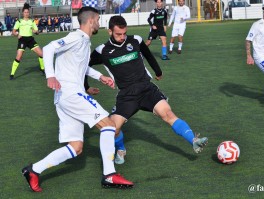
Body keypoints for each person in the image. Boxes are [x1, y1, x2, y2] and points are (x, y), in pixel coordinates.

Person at [21, 7, 133, 192]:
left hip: (64, 97)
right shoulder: (77, 37)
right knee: (108, 125)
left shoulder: (83, 41)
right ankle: (110, 174)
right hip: (71, 93)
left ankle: (33, 170)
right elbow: (49, 49)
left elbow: (80, 66)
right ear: (90, 21)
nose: (99, 22)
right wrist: (50, 75)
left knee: (76, 147)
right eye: (97, 19)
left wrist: (100, 77)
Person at [88, 15, 208, 166]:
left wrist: (158, 71)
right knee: (111, 129)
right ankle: (121, 149)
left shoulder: (135, 40)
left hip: (147, 89)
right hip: (127, 95)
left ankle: (194, 140)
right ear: (109, 31)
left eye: (124, 33)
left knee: (168, 114)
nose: (122, 37)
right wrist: (88, 85)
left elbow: (148, 54)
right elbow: (83, 66)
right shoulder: (102, 50)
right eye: (118, 34)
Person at [9, 3, 45, 80]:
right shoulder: (19, 21)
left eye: (27, 12)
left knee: (41, 54)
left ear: (29, 13)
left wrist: (36, 32)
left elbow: (37, 31)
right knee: (18, 57)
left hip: (30, 40)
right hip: (22, 40)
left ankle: (42, 69)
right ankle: (12, 74)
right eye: (25, 12)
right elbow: (13, 31)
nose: (26, 13)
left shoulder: (32, 21)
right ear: (23, 13)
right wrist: (17, 34)